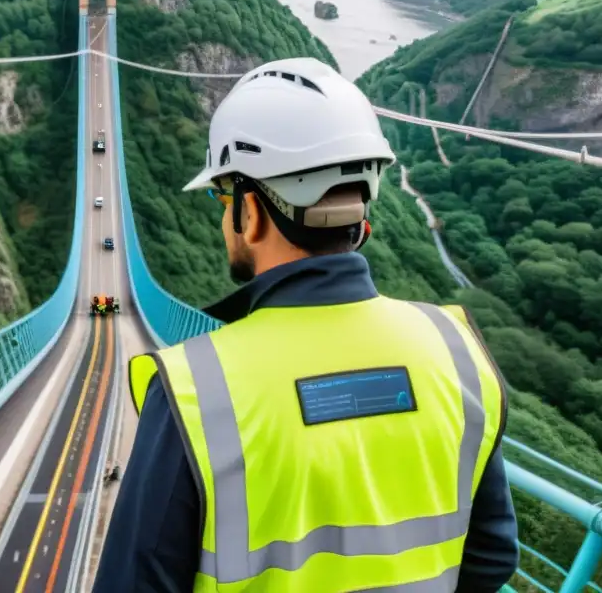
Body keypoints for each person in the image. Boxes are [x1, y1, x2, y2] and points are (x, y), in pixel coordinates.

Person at [92, 59, 518, 592]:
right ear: (361, 207)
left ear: (249, 211)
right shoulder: (457, 352)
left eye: (221, 197)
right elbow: (491, 559)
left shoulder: (196, 390)